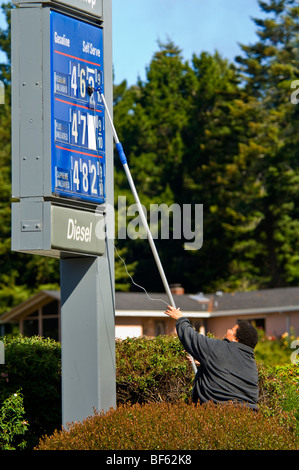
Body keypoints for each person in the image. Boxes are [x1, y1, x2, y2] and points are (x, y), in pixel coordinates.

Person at [164, 305, 259, 410]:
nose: (228, 330)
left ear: (236, 339)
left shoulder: (219, 348)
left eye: (232, 330)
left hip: (217, 415)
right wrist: (205, 364)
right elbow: (228, 374)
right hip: (248, 418)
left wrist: (180, 319)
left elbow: (192, 338)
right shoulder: (251, 363)